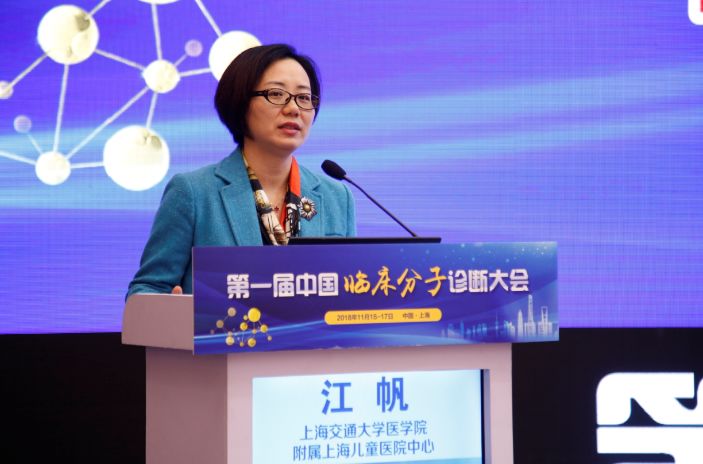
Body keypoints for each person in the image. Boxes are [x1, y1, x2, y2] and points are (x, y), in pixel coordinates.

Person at [127, 44, 356, 298]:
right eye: (276, 93)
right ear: (240, 102)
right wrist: (173, 310)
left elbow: (349, 291)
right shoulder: (193, 192)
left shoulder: (337, 197)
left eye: (303, 98)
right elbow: (146, 289)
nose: (294, 109)